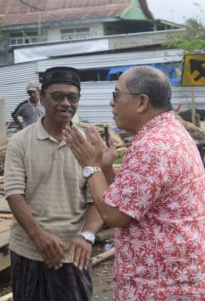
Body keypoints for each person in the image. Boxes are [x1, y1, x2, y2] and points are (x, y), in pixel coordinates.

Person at [63, 66, 205, 300]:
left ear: (141, 102)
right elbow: (133, 199)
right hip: (175, 280)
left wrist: (91, 166)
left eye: (116, 95)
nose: (111, 102)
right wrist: (106, 169)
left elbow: (114, 215)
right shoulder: (169, 133)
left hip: (158, 288)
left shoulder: (152, 146)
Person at [4, 66, 103, 301]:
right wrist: (38, 236)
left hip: (73, 254)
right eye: (57, 96)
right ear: (42, 97)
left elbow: (99, 199)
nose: (66, 103)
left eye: (72, 97)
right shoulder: (20, 141)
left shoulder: (88, 143)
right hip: (28, 251)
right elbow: (14, 193)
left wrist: (87, 235)